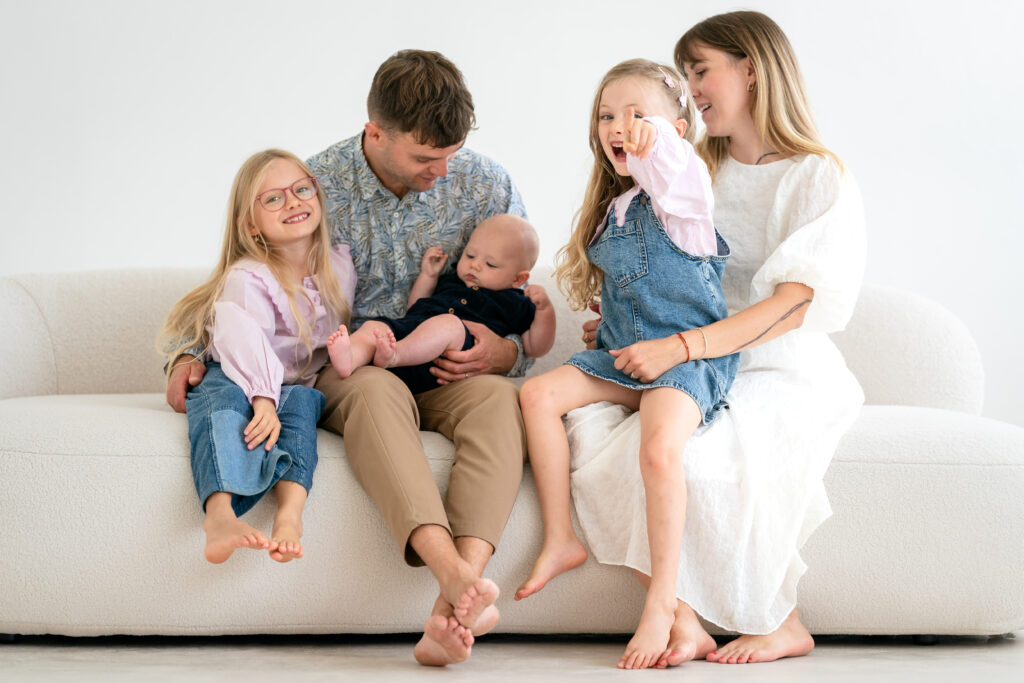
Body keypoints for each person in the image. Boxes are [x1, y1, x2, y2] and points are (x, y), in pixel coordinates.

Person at [165, 50, 537, 667]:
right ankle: (449, 571)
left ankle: (456, 603)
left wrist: (505, 352)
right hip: (350, 365)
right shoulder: (314, 185)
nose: (444, 171)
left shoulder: (485, 182)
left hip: (448, 362)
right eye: (425, 158)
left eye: (452, 153)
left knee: (500, 401)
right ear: (376, 133)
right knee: (372, 390)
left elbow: (519, 294)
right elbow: (243, 287)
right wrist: (186, 354)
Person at [567, 10, 867, 667]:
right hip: (686, 350)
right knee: (594, 438)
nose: (691, 88)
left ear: (752, 70)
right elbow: (662, 270)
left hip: (772, 360)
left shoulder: (816, 174)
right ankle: (684, 616)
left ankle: (782, 620)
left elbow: (791, 306)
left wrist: (681, 347)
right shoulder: (690, 166)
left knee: (708, 458)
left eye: (701, 70)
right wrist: (627, 321)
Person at [513, 59, 739, 670]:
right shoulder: (618, 207)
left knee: (659, 450)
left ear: (679, 129)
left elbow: (671, 162)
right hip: (622, 359)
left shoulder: (684, 193)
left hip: (684, 360)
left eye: (639, 115)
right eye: (608, 115)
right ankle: (560, 538)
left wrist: (652, 139)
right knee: (535, 397)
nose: (622, 126)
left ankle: (664, 603)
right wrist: (608, 318)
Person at [159, 149, 355, 565]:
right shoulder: (248, 277)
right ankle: (219, 516)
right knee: (224, 406)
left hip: (289, 384)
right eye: (274, 198)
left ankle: (290, 514)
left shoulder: (340, 267)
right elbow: (243, 340)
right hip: (236, 371)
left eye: (302, 189)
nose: (294, 201)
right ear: (250, 224)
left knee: (303, 410)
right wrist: (262, 399)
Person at [326, 214, 555, 393]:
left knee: (450, 324)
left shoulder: (516, 303)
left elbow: (536, 347)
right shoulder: (450, 282)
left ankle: (394, 356)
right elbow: (416, 307)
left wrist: (545, 311)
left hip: (445, 362)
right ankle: (351, 358)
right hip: (411, 335)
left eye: (490, 265)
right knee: (375, 328)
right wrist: (428, 276)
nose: (475, 266)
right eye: (470, 255)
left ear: (519, 279)